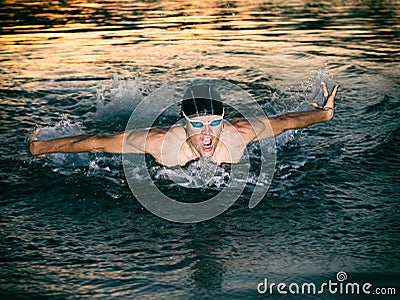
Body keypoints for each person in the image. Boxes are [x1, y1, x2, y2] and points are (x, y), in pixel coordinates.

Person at [30, 83, 339, 167]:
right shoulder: (159, 143)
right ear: (183, 121)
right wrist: (40, 146)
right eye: (197, 124)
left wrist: (323, 115)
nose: (207, 133)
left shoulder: (237, 134)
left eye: (214, 122)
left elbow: (285, 122)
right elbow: (97, 141)